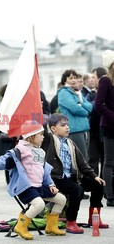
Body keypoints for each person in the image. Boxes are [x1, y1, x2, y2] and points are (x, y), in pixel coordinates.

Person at [0, 120, 66, 240]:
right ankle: (21, 226)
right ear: (31, 136)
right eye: (40, 135)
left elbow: (45, 171)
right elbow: (5, 159)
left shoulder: (41, 151)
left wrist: (51, 184)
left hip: (39, 186)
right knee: (39, 204)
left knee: (61, 199)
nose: (43, 137)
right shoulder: (20, 149)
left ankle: (51, 226)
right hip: (26, 187)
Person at [41, 113, 109, 234]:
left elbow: (82, 164)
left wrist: (94, 176)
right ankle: (71, 222)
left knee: (97, 185)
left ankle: (94, 219)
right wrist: (39, 109)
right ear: (53, 128)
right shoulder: (48, 140)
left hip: (71, 177)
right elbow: (39, 128)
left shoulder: (70, 143)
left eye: (67, 124)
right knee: (77, 190)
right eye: (63, 125)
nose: (67, 127)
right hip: (56, 179)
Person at [58, 69, 92, 162]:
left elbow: (90, 106)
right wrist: (85, 112)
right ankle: (80, 177)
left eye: (75, 78)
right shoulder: (63, 93)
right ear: (65, 80)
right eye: (70, 78)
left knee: (85, 158)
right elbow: (75, 108)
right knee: (81, 159)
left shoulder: (77, 92)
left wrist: (80, 103)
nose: (73, 80)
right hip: (74, 130)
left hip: (84, 129)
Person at [95, 50, 114, 207]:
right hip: (109, 126)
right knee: (109, 161)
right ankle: (110, 196)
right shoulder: (105, 80)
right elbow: (98, 104)